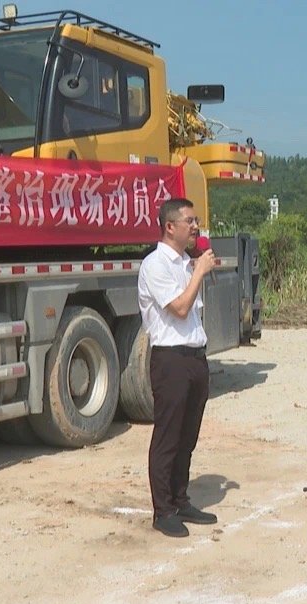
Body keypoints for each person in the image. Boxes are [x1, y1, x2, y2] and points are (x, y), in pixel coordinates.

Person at [137, 197, 220, 538]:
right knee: (168, 436)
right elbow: (180, 309)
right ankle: (163, 509)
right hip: (170, 360)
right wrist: (199, 271)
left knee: (188, 436)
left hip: (194, 357)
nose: (195, 226)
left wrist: (196, 268)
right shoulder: (155, 265)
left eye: (196, 220)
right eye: (189, 221)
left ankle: (180, 497)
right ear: (170, 226)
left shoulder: (187, 263)